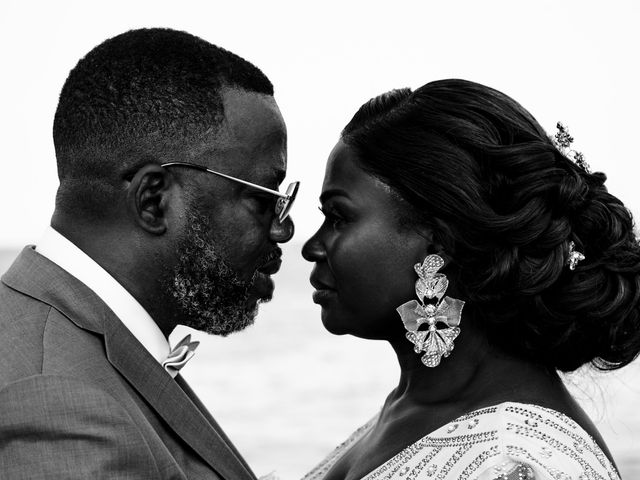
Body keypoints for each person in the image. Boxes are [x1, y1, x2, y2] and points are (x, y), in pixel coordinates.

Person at [302, 79, 639, 479]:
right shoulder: (410, 408)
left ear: (439, 242)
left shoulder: (523, 463)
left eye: (338, 217)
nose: (311, 247)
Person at [0, 28, 296, 479]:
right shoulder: (64, 404)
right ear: (153, 200)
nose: (283, 227)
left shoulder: (54, 335)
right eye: (263, 195)